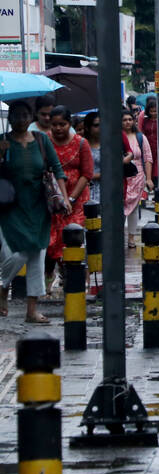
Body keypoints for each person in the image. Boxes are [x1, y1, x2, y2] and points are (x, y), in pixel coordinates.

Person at [0, 101, 70, 323]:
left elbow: (57, 168)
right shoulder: (3, 142)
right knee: (16, 254)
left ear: (31, 118)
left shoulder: (41, 140)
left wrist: (65, 197)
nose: (20, 119)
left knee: (38, 256)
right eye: (16, 115)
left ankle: (32, 310)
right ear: (9, 118)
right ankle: (2, 286)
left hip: (39, 206)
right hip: (11, 207)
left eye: (24, 115)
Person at [45, 107, 94, 286]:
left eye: (62, 124)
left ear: (69, 124)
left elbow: (87, 174)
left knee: (73, 238)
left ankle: (74, 277)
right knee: (52, 241)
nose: (58, 128)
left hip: (77, 200)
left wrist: (71, 198)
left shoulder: (81, 143)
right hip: (53, 200)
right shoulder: (45, 142)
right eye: (54, 125)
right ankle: (52, 273)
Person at [123, 108, 153, 248]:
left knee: (134, 209)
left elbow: (147, 158)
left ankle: (131, 238)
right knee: (121, 207)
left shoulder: (140, 137)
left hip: (137, 177)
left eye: (130, 119)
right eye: (124, 120)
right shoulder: (116, 137)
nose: (127, 122)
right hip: (122, 177)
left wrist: (148, 178)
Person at [139, 96, 159, 185]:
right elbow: (141, 132)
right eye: (152, 111)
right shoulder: (145, 120)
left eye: (155, 111)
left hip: (158, 148)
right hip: (147, 147)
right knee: (148, 166)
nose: (154, 113)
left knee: (157, 170)